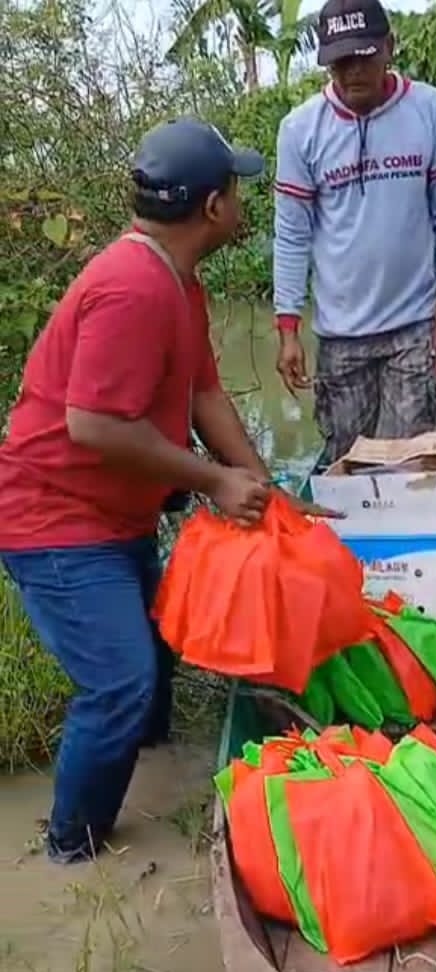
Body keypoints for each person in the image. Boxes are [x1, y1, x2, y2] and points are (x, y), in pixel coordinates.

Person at [0, 118, 276, 865]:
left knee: (158, 650)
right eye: (237, 188)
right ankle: (71, 847)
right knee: (121, 681)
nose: (243, 200)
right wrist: (214, 480)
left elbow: (204, 392)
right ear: (213, 208)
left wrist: (259, 482)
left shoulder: (178, 281)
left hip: (112, 512)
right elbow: (93, 425)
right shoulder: (132, 287)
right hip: (53, 519)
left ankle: (146, 761)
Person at [273, 0, 436, 464]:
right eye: (340, 61)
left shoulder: (429, 109)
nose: (352, 72)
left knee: (412, 463)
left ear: (389, 47)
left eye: (362, 56)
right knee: (348, 467)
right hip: (340, 337)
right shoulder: (300, 130)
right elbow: (292, 236)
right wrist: (287, 329)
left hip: (415, 327)